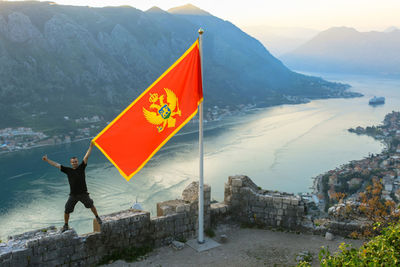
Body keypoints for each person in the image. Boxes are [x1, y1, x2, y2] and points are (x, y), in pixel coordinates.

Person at [42, 141, 102, 232]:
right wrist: (47, 160)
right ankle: (66, 225)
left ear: (77, 162)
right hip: (73, 195)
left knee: (91, 205)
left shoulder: (81, 167)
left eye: (76, 161)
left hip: (83, 194)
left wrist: (91, 147)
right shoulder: (68, 170)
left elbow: (86, 157)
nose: (74, 163)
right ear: (71, 163)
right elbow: (56, 165)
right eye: (73, 162)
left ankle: (97, 217)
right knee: (67, 210)